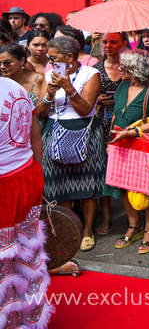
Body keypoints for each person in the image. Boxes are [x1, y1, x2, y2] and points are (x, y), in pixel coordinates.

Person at [36, 36, 103, 253]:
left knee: (86, 184)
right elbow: (39, 111)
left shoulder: (91, 74)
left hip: (84, 130)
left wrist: (69, 88)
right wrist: (49, 94)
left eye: (53, 58)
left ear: (69, 57)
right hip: (55, 130)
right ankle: (70, 228)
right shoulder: (49, 75)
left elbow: (85, 109)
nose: (50, 61)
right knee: (61, 184)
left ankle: (87, 231)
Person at [0, 75, 52, 327]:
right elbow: (35, 135)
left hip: (6, 185)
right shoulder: (15, 86)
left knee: (4, 262)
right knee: (26, 253)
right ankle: (31, 319)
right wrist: (37, 176)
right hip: (27, 175)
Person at [105, 50, 149, 255]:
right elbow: (115, 115)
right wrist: (111, 141)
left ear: (136, 69)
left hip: (142, 145)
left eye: (125, 66)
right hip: (119, 142)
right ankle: (133, 226)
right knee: (123, 184)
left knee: (147, 189)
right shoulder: (122, 86)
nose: (120, 69)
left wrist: (134, 131)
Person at [92, 32, 128, 236]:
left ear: (123, 43)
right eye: (105, 42)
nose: (108, 45)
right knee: (103, 170)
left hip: (124, 124)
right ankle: (106, 216)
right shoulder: (95, 70)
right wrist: (97, 100)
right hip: (101, 123)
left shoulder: (129, 67)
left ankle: (133, 216)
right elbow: (87, 98)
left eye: (113, 42)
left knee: (126, 169)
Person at [0, 43, 44, 111]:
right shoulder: (2, 83)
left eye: (7, 63)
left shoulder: (39, 79)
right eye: (0, 63)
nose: (2, 67)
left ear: (22, 61)